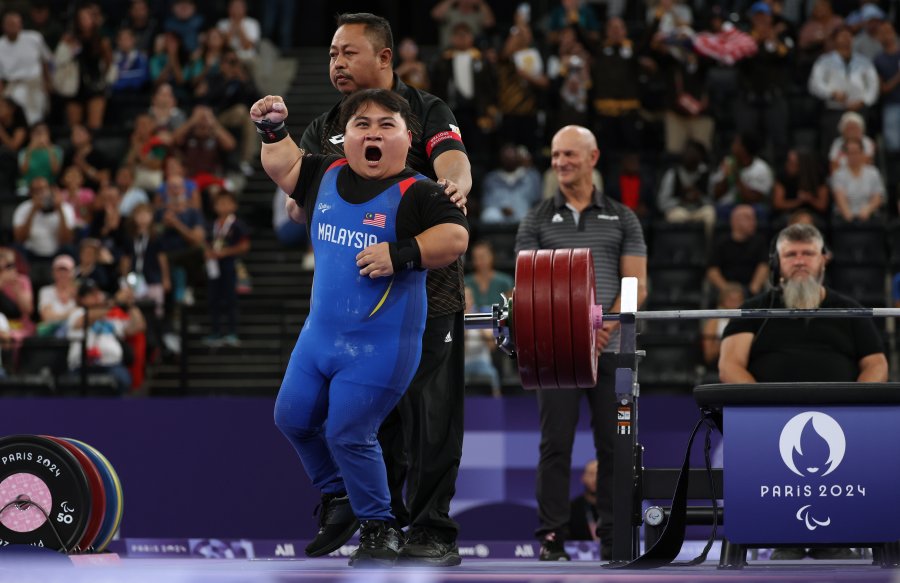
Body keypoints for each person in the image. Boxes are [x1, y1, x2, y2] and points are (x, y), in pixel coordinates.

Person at [254, 89, 469, 567]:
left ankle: (380, 528)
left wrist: (401, 253)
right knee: (291, 417)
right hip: (318, 339)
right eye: (362, 125)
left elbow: (455, 236)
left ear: (407, 137)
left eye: (386, 125)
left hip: (381, 346)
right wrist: (272, 130)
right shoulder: (322, 174)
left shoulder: (419, 192)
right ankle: (339, 494)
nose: (373, 133)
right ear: (344, 139)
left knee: (349, 431)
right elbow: (283, 166)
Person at [515, 125, 648, 561]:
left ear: (593, 157)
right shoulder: (535, 218)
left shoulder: (623, 217)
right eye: (555, 156)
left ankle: (615, 539)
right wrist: (576, 332)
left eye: (569, 155)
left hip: (611, 349)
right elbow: (528, 288)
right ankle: (552, 539)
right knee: (555, 445)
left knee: (614, 446)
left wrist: (601, 326)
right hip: (556, 355)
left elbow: (636, 285)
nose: (560, 163)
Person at [718, 222, 887, 560]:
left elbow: (876, 364)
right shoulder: (754, 310)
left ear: (823, 259)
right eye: (790, 254)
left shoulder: (850, 310)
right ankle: (784, 538)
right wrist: (764, 408)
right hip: (768, 421)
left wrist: (854, 408)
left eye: (807, 253)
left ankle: (838, 538)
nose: (799, 261)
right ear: (776, 262)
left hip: (843, 421)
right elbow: (730, 365)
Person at [202, 191, 250, 347]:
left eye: (226, 202)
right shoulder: (212, 225)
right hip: (214, 268)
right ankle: (216, 332)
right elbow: (206, 243)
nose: (223, 206)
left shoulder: (237, 224)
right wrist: (208, 252)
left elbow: (244, 246)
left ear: (234, 205)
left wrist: (225, 253)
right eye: (219, 203)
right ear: (214, 207)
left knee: (231, 299)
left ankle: (232, 332)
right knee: (213, 299)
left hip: (230, 266)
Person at [568, 460, 599, 541]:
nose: (595, 479)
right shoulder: (571, 509)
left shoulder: (614, 509)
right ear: (583, 477)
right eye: (591, 474)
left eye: (599, 474)